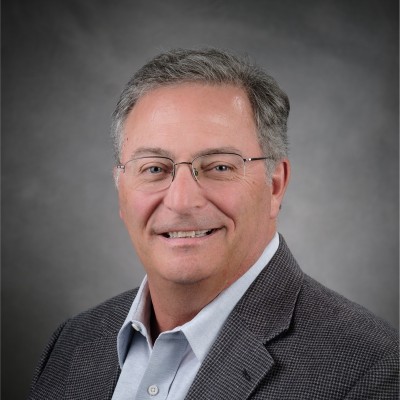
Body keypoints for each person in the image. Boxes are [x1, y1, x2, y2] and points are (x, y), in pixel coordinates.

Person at [28, 48, 398, 400]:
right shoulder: (72, 344)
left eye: (219, 166)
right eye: (154, 169)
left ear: (275, 185)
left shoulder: (370, 368)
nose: (181, 201)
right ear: (120, 188)